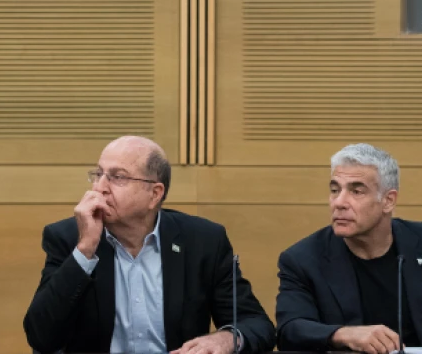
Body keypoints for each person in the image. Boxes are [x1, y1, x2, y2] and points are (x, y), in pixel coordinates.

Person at [23, 135, 275, 354]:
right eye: (98, 174)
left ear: (154, 194)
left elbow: (256, 323)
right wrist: (86, 249)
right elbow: (41, 336)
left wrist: (226, 338)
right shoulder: (69, 237)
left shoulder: (203, 241)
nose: (100, 188)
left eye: (117, 177)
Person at [276, 143, 422, 354]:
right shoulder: (302, 259)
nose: (339, 202)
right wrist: (344, 334)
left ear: (388, 201)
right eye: (335, 190)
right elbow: (290, 330)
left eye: (356, 191)